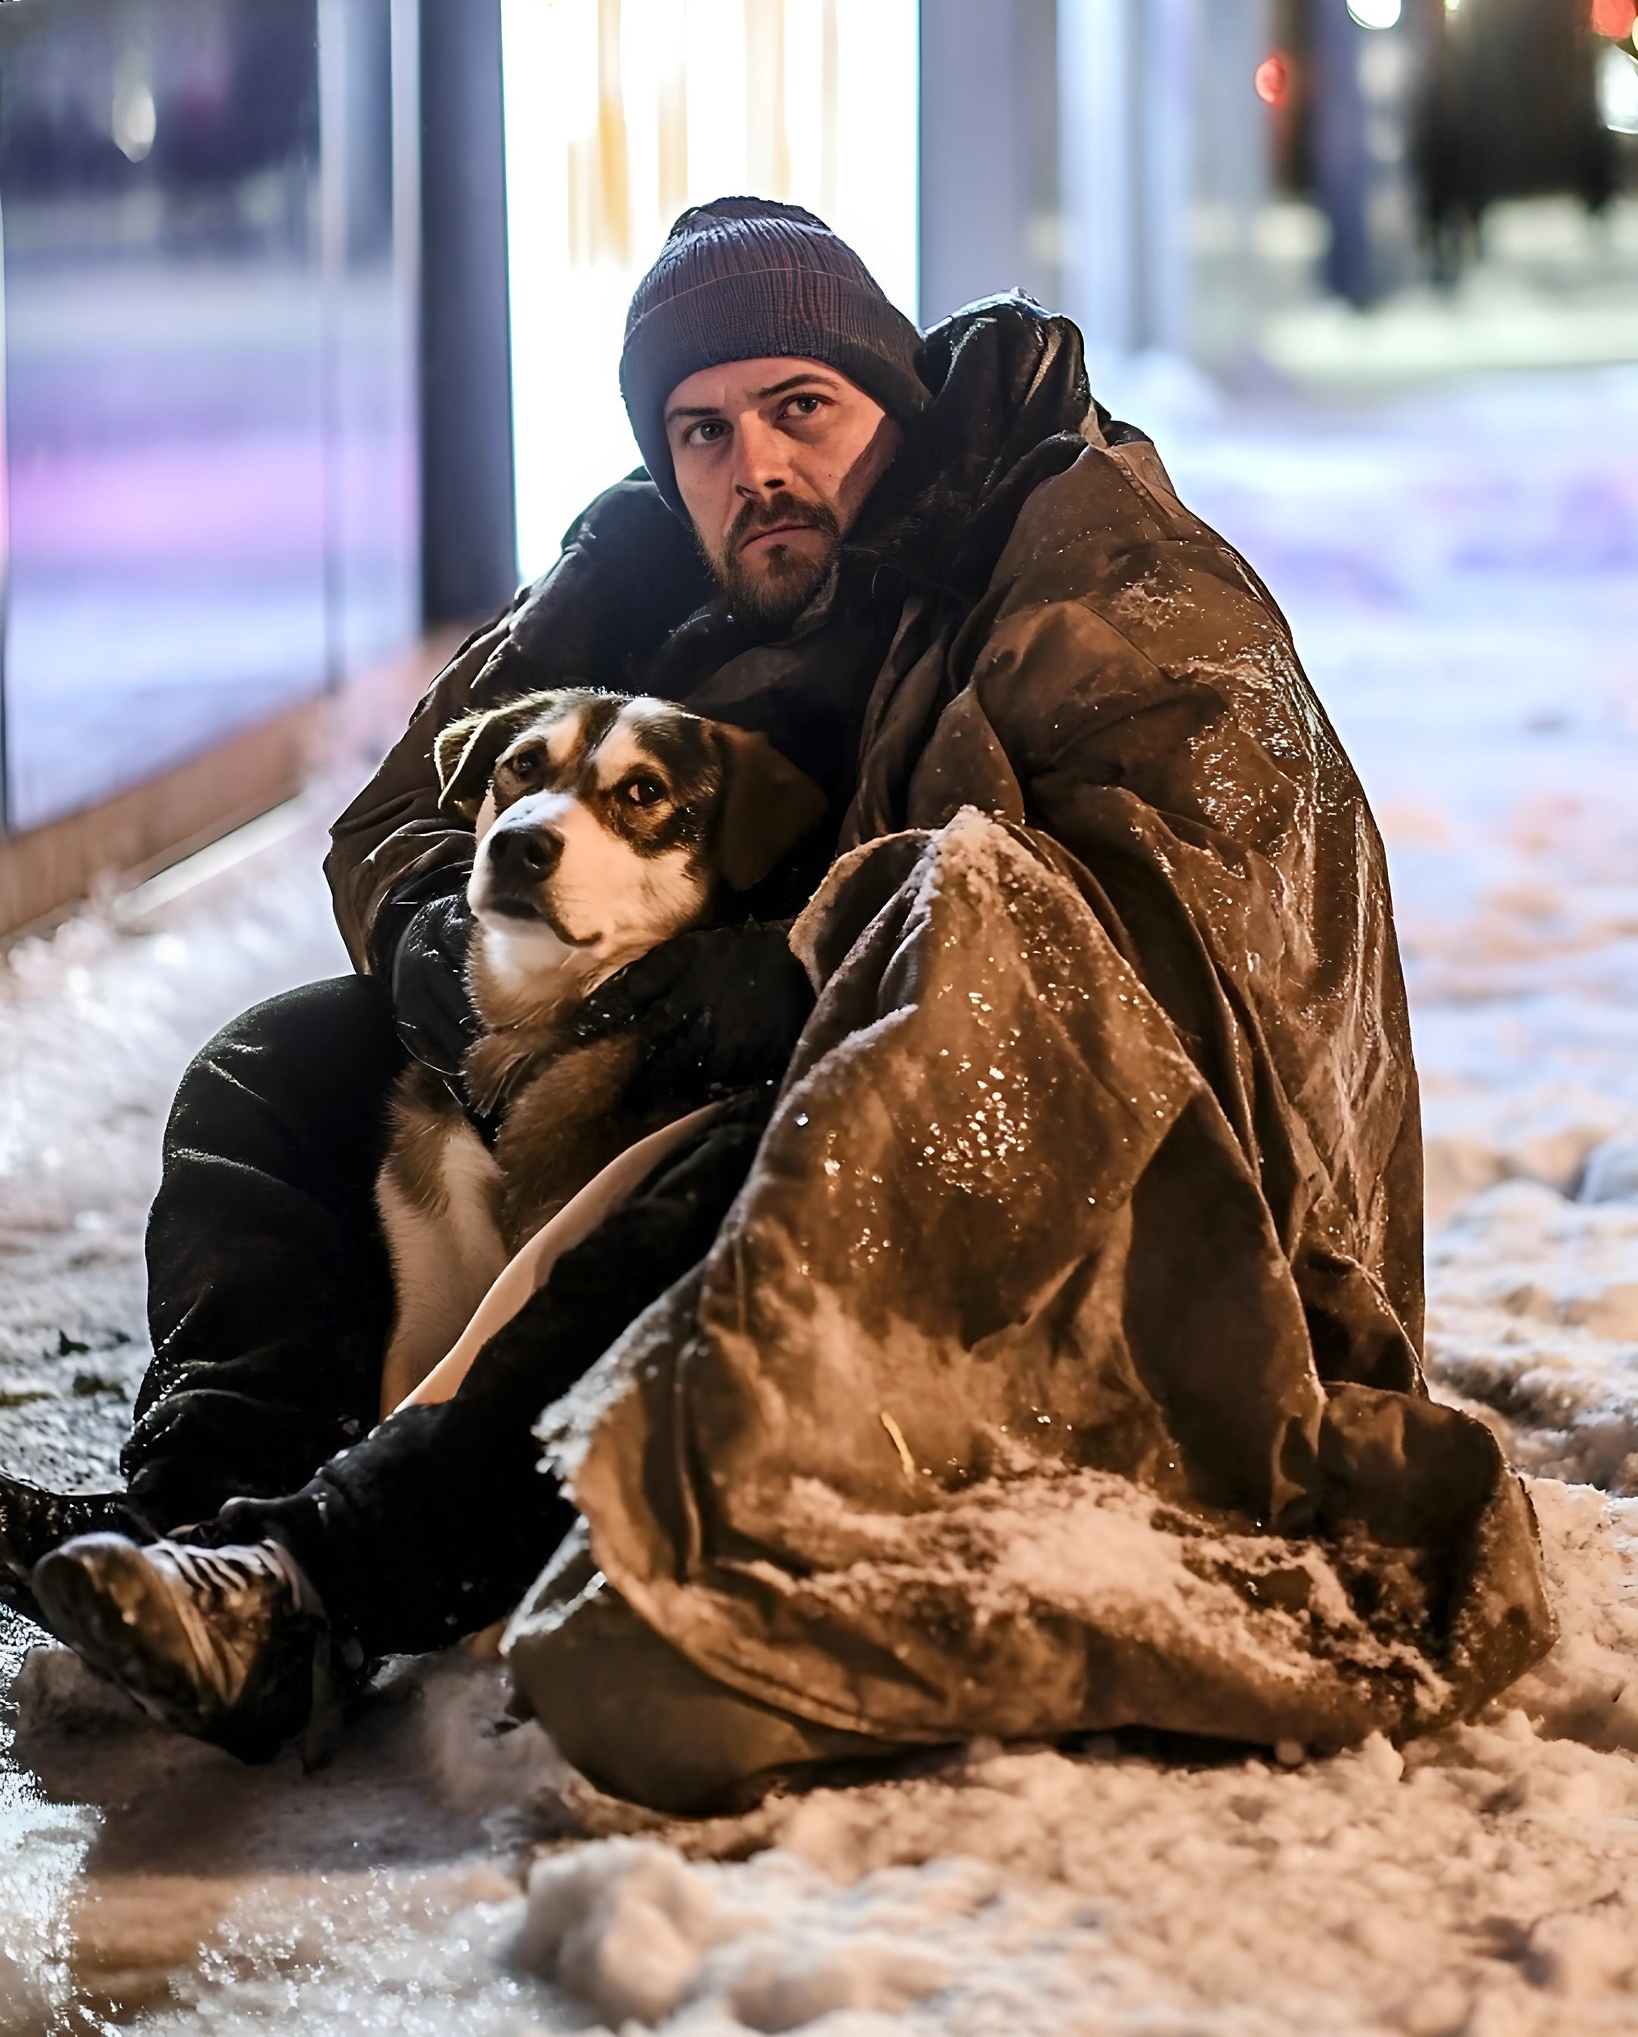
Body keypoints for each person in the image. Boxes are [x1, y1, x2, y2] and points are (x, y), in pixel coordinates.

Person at [3, 199, 1551, 1804]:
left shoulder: (1091, 559)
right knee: (284, 1070)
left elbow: (1190, 932)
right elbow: (409, 810)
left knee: (728, 1158)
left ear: (887, 399)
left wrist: (800, 970)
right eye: (702, 428)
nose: (754, 465)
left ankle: (324, 1583)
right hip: (692, 1065)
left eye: (799, 408)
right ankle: (192, 1539)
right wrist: (435, 962)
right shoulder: (635, 571)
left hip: (1077, 1176)